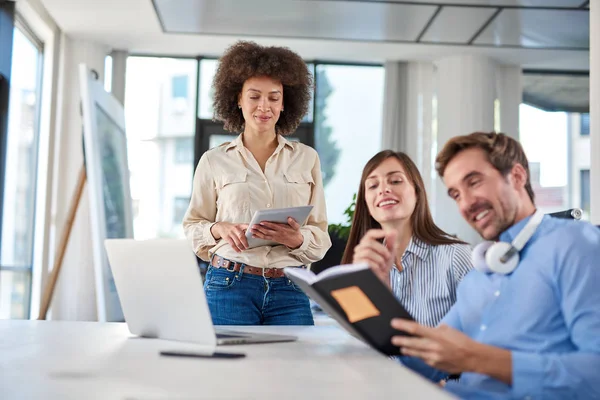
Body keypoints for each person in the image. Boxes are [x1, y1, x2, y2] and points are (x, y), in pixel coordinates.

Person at [389, 132, 600, 399]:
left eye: (474, 182)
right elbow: (422, 361)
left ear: (518, 176)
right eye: (455, 194)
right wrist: (375, 295)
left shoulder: (575, 244)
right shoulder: (477, 278)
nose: (465, 203)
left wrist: (478, 359)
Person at [183, 41, 331, 326]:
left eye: (274, 98)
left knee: (296, 370)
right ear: (238, 99)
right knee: (229, 370)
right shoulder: (213, 160)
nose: (264, 106)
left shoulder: (307, 158)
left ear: (285, 103)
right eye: (255, 96)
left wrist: (298, 239)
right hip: (228, 284)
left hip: (290, 286)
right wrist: (218, 229)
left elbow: (321, 234)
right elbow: (192, 227)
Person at [342, 150, 473, 327]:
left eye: (395, 181)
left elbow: (482, 333)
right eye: (373, 186)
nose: (383, 189)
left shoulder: (456, 256)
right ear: (366, 201)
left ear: (417, 192)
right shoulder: (360, 264)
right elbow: (357, 337)